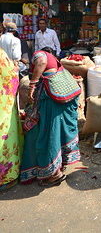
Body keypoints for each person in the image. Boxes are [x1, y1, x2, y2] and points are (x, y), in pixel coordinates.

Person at [20, 47, 81, 186]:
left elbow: (41, 61)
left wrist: (32, 85)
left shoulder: (39, 54)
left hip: (53, 99)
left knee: (49, 134)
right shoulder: (54, 60)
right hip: (63, 97)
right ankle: (59, 164)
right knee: (58, 131)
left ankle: (54, 174)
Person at [0, 48, 23, 190]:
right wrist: (15, 69)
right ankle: (6, 178)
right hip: (3, 105)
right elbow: (11, 77)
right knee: (5, 135)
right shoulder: (1, 54)